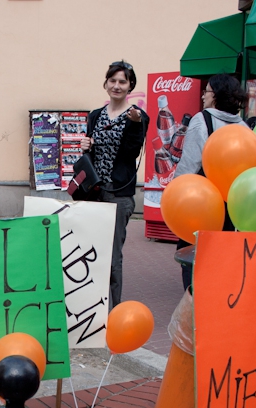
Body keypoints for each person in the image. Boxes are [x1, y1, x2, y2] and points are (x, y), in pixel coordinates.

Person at [80, 60, 149, 308]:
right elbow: (90, 151)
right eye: (113, 81)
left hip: (118, 195)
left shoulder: (139, 117)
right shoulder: (95, 115)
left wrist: (132, 124)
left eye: (122, 81)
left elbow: (131, 153)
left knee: (111, 257)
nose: (117, 86)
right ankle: (89, 308)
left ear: (130, 85)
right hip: (93, 192)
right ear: (106, 83)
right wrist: (86, 146)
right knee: (88, 250)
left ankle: (112, 312)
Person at [173, 73, 248, 290]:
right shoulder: (243, 126)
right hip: (229, 204)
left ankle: (194, 311)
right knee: (220, 258)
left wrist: (177, 194)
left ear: (215, 95)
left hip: (201, 202)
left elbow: (190, 163)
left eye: (206, 91)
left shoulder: (203, 119)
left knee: (191, 257)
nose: (203, 96)